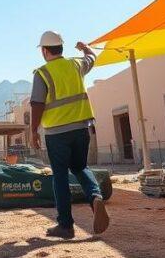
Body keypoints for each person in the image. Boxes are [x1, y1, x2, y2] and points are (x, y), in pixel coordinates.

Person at [29, 31, 109, 239]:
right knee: (80, 167)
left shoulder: (42, 73)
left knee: (60, 177)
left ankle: (65, 226)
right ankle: (95, 197)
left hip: (56, 133)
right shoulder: (76, 65)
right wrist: (85, 48)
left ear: (44, 51)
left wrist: (33, 130)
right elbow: (92, 58)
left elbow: (37, 104)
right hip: (81, 128)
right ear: (61, 47)